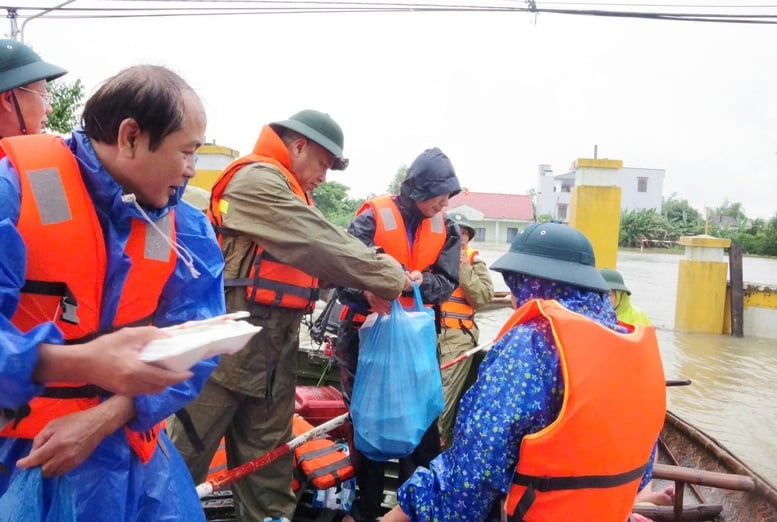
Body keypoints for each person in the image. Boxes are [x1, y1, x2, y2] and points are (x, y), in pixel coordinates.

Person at [0, 63, 225, 521]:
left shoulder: (186, 228)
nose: (191, 169)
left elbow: (200, 342)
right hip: (20, 458)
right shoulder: (14, 192)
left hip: (136, 460)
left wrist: (106, 417)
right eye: (186, 152)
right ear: (130, 137)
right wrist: (75, 362)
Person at [166, 109, 410, 522]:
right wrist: (388, 275)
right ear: (298, 146)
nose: (324, 177)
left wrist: (366, 282)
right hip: (222, 357)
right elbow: (318, 242)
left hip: (274, 359)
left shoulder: (293, 194)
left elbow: (313, 264)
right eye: (323, 164)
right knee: (178, 468)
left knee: (269, 479)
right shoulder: (257, 182)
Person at [382, 222, 667, 522]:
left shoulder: (532, 342)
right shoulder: (630, 341)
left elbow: (478, 464)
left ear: (532, 284)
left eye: (516, 285)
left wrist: (415, 503)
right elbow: (645, 461)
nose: (513, 298)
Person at [334, 147, 462, 522]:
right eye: (439, 196)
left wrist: (420, 283)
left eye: (448, 198)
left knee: (420, 426)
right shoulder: (372, 217)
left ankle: (413, 511)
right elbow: (341, 273)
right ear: (420, 188)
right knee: (368, 424)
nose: (443, 204)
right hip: (366, 340)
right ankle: (366, 510)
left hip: (416, 345)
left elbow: (447, 281)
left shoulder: (448, 229)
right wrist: (367, 292)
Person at [436, 215, 494, 449]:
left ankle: (438, 444)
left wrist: (463, 267)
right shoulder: (429, 256)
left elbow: (483, 297)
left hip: (457, 336)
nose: (459, 236)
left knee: (443, 395)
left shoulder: (473, 261)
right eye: (455, 231)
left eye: (464, 233)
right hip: (425, 332)